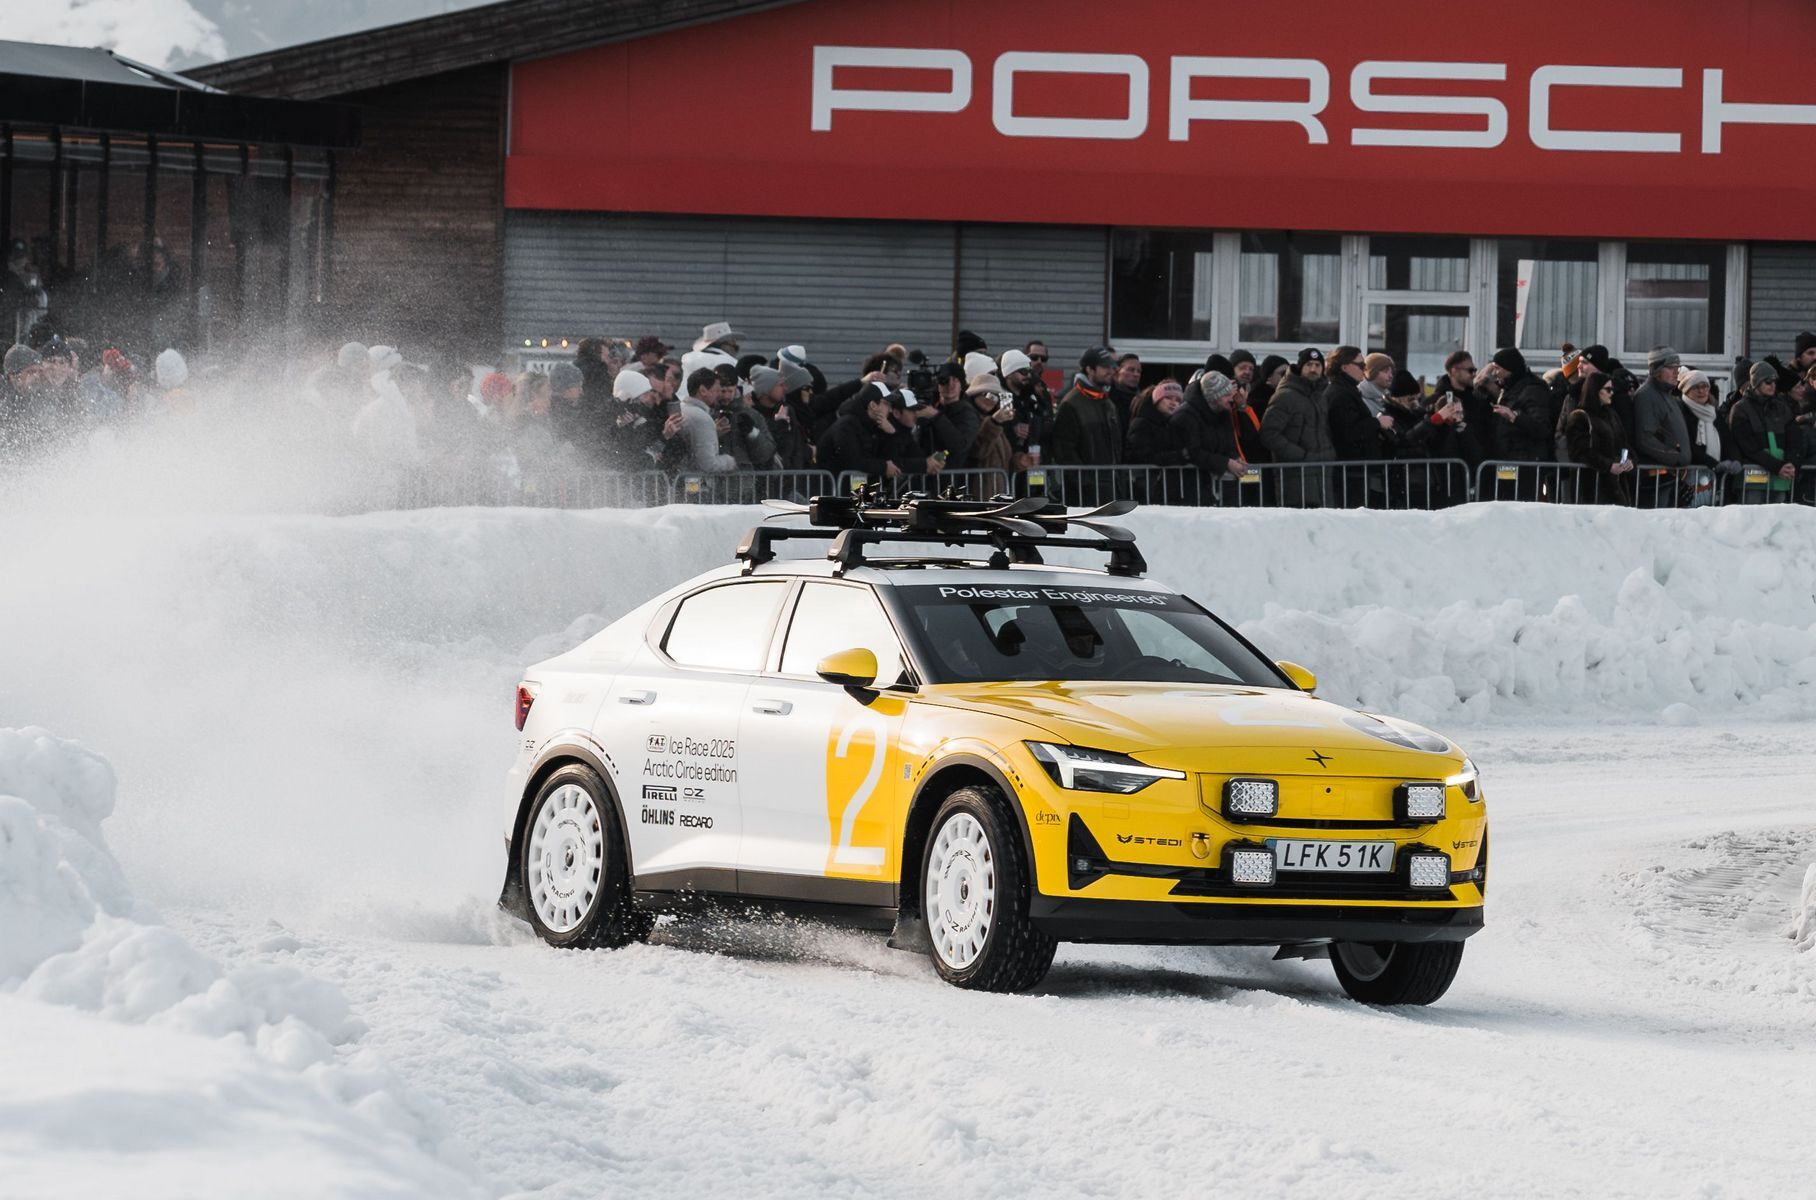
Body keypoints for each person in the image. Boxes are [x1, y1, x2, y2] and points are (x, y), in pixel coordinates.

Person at [1258, 348, 1334, 506]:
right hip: (1294, 476)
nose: (1313, 369)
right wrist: (1301, 456)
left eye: (1317, 365)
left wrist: (1329, 453)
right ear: (1300, 367)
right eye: (1308, 364)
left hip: (1321, 474)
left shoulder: (1320, 397)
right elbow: (1268, 434)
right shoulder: (1285, 396)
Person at [1171, 371, 1250, 505]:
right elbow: (1193, 452)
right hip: (1189, 485)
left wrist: (1235, 458)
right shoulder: (1185, 416)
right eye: (1226, 395)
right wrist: (1226, 463)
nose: (1232, 399)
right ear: (1214, 396)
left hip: (1215, 483)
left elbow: (1230, 444)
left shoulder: (1223, 412)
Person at [1727, 361, 1799, 500]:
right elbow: (1747, 447)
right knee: (1752, 512)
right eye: (1768, 382)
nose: (1773, 385)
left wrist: (1791, 463)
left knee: (1778, 513)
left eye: (1775, 381)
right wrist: (1778, 466)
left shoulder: (1782, 408)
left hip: (1779, 479)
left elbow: (1795, 438)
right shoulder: (1741, 409)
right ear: (1756, 383)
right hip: (1752, 481)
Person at [1564, 372, 1636, 504]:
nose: (1612, 393)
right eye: (1608, 389)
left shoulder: (1611, 414)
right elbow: (1579, 452)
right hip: (1591, 486)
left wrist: (1628, 460)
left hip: (1615, 485)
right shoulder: (1580, 417)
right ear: (1596, 390)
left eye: (1612, 389)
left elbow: (1623, 443)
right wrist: (1608, 466)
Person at [1052, 346, 1122, 466]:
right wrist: (1083, 477)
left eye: (1111, 367)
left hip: (1109, 476)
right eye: (1105, 367)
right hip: (1086, 477)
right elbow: (1064, 450)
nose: (1110, 371)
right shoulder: (1071, 403)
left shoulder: (1109, 404)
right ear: (1090, 370)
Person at [816, 383, 896, 479]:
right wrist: (884, 467)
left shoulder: (872, 426)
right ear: (873, 405)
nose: (890, 410)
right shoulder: (847, 426)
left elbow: (883, 457)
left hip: (853, 485)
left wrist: (890, 434)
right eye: (886, 404)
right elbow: (853, 461)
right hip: (832, 486)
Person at [1631, 347, 1690, 467]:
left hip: (1673, 472)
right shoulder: (1646, 395)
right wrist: (1676, 458)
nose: (1676, 372)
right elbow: (1645, 439)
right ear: (1656, 370)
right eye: (1671, 367)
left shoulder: (1668, 395)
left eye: (1677, 368)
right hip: (1659, 473)